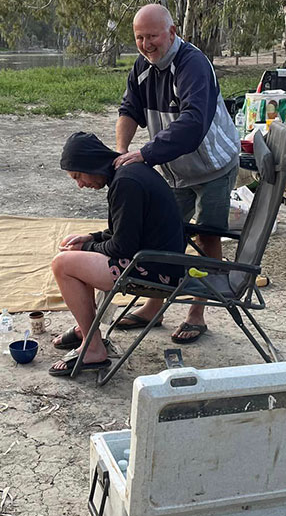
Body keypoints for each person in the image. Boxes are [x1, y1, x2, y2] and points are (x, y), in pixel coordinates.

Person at [112, 3, 239, 344]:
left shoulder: (193, 64)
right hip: (175, 170)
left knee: (207, 236)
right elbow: (129, 109)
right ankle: (154, 308)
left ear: (172, 31)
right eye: (139, 37)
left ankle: (197, 313)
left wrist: (145, 154)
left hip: (213, 166)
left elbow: (192, 124)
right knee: (167, 236)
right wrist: (123, 151)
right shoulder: (141, 67)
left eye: (152, 36)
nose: (145, 44)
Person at [48, 132, 186, 377]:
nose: (80, 185)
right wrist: (92, 238)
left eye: (78, 176)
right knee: (78, 259)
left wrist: (85, 249)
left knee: (63, 265)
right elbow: (124, 230)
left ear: (91, 163)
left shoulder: (126, 182)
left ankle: (92, 347)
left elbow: (122, 247)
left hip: (155, 270)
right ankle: (86, 330)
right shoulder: (128, 173)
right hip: (159, 260)